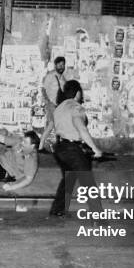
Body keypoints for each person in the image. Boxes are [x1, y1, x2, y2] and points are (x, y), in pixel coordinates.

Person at [49, 80, 103, 217]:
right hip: (72, 149)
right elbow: (81, 128)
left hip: (59, 148)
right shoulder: (76, 107)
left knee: (68, 179)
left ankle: (57, 210)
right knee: (88, 182)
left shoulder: (59, 108)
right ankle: (98, 218)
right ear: (78, 93)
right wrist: (94, 148)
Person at [39, 56, 66, 152]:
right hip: (51, 105)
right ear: (55, 65)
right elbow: (43, 89)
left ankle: (43, 146)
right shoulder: (50, 75)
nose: (61, 67)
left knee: (54, 125)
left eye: (63, 65)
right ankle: (43, 146)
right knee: (53, 125)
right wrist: (47, 102)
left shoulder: (63, 78)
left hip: (59, 106)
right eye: (59, 65)